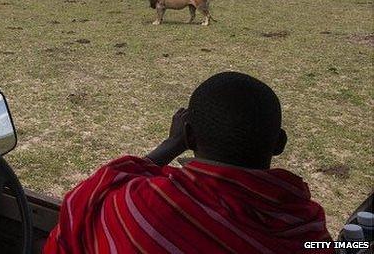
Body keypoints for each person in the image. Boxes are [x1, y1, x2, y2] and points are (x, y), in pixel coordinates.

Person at [43, 72, 332, 254]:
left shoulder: (142, 204)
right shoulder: (307, 227)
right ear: (280, 144)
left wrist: (170, 146)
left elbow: (88, 197)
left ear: (189, 137)